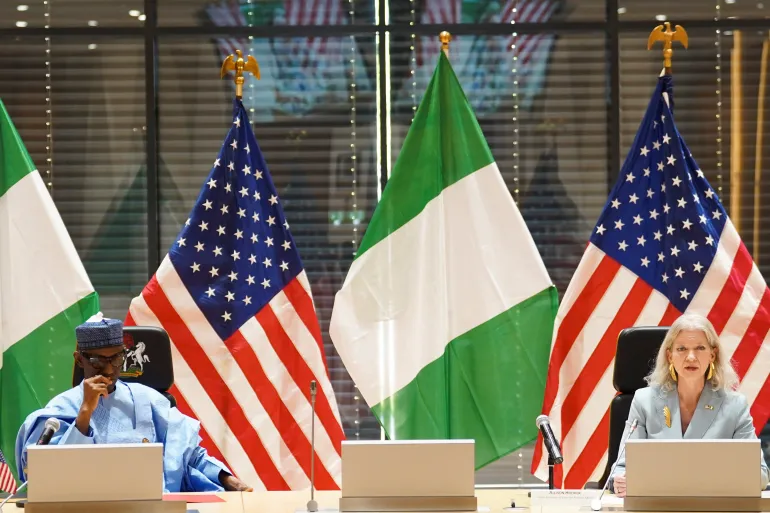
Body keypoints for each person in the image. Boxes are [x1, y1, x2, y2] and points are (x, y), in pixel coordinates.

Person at [15, 317, 252, 493]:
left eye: (117, 358)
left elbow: (189, 457)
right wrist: (85, 413)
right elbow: (50, 478)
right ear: (80, 359)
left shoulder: (150, 400)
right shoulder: (59, 410)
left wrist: (228, 480)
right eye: (98, 361)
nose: (109, 369)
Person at [610, 313, 770, 497]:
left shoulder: (735, 406)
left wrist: (705, 483)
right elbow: (621, 468)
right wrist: (622, 481)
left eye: (700, 348)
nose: (691, 357)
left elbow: (760, 474)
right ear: (670, 356)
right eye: (682, 349)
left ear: (712, 354)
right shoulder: (644, 401)